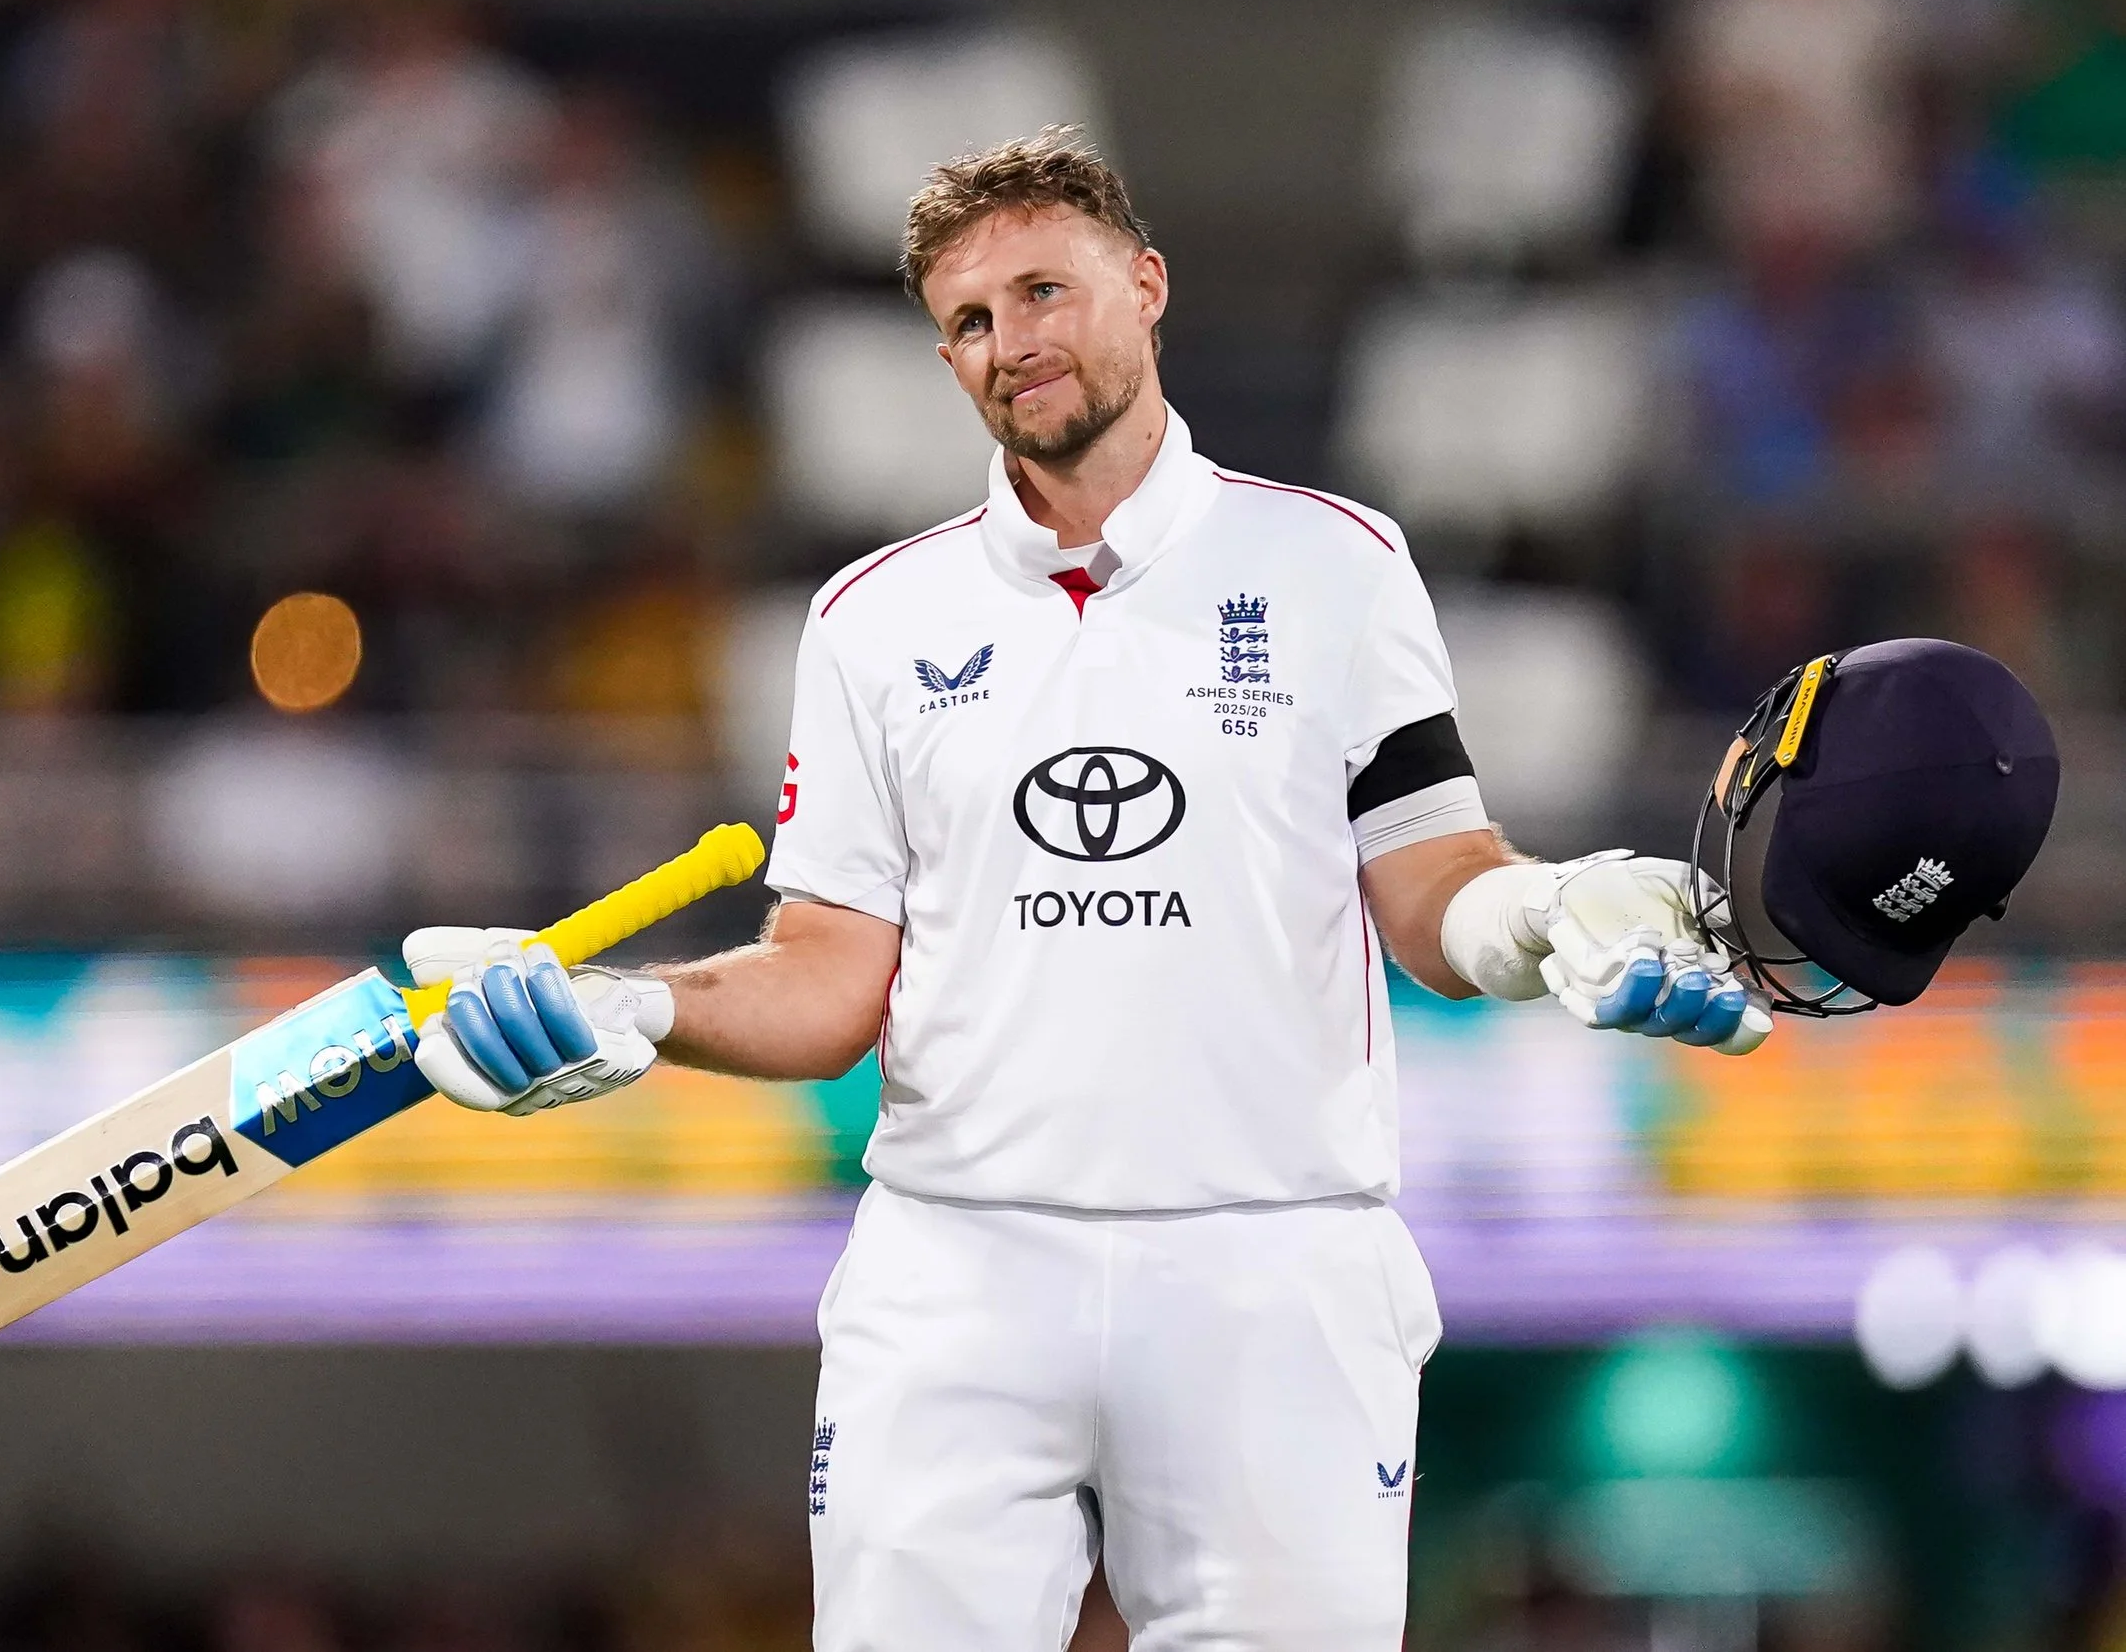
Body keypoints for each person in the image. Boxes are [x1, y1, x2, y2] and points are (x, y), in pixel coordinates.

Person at [402, 127, 1767, 1651]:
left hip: (1274, 1260)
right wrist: (621, 1009)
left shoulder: (1336, 564)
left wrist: (1545, 920)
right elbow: (830, 977)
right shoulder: (870, 620)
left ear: (1146, 284)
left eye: (1043, 291)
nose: (1010, 344)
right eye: (970, 323)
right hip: (958, 1263)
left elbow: (1433, 885)